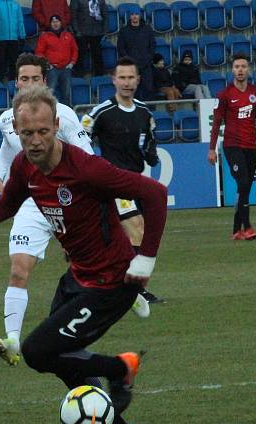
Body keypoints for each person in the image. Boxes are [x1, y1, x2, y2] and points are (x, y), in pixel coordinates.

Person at [0, 85, 168, 424]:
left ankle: (120, 370)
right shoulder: (25, 166)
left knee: (38, 352)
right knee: (58, 358)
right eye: (26, 134)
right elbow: (4, 206)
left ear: (56, 125)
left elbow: (155, 194)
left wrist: (145, 258)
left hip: (112, 283)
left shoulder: (86, 169)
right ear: (16, 132)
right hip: (78, 277)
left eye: (42, 132)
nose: (35, 141)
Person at [0, 53, 150, 368]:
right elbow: (8, 148)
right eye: (24, 79)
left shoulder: (62, 116)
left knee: (90, 266)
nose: (29, 84)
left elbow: (88, 156)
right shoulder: (8, 119)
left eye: (36, 79)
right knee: (18, 269)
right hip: (32, 201)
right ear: (16, 82)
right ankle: (12, 341)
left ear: (44, 82)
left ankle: (126, 291)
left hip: (69, 200)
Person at [82, 56, 164, 304]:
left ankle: (111, 284)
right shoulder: (102, 111)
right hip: (113, 183)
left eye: (131, 77)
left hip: (136, 180)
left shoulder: (143, 111)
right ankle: (135, 291)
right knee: (137, 228)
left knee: (122, 237)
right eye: (122, 77)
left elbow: (151, 134)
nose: (127, 82)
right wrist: (92, 164)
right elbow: (80, 134)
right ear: (114, 80)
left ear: (138, 80)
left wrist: (151, 151)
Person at [208, 53, 256, 241]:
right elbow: (216, 123)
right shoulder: (224, 95)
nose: (240, 70)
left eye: (243, 66)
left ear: (248, 69)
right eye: (237, 67)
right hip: (232, 146)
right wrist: (212, 149)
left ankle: (237, 229)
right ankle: (249, 227)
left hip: (252, 146)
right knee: (243, 183)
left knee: (245, 188)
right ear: (232, 70)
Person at [35, 14, 78, 107]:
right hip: (52, 69)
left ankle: (66, 112)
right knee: (50, 92)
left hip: (66, 68)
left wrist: (72, 62)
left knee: (66, 93)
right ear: (50, 24)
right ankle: (48, 111)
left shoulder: (68, 35)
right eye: (53, 22)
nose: (55, 24)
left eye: (57, 21)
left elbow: (75, 49)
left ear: (60, 23)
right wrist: (47, 65)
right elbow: (39, 52)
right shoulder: (45, 36)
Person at [116, 4, 155, 100]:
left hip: (146, 65)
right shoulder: (124, 31)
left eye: (136, 14)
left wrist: (148, 59)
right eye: (132, 14)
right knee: (133, 91)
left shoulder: (147, 30)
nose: (134, 16)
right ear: (129, 16)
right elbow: (121, 48)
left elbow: (152, 46)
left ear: (140, 15)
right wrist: (129, 62)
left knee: (148, 89)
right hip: (131, 67)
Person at [0, 0, 25, 83]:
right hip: (0, 38)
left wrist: (22, 35)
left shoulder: (16, 4)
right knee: (0, 61)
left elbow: (20, 21)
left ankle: (13, 83)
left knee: (14, 62)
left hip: (14, 38)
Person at [69, 0, 107, 77]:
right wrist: (76, 31)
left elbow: (105, 14)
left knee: (97, 55)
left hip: (97, 32)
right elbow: (73, 16)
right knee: (80, 55)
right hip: (82, 32)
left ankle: (99, 77)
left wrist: (105, 31)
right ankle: (78, 77)